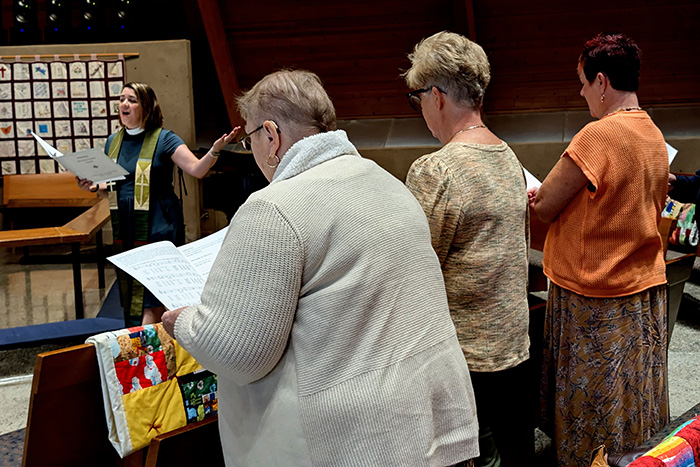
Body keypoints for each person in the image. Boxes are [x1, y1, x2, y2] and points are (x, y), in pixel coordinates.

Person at [161, 69, 480, 466]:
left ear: (272, 136)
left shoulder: (274, 208)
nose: (253, 149)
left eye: (250, 138)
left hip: (354, 439)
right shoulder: (387, 182)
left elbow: (238, 353)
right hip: (428, 414)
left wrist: (186, 323)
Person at [528, 33, 669, 466]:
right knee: (632, 391)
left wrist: (530, 194)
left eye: (584, 83)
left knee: (593, 396)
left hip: (596, 294)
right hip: (641, 286)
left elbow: (547, 204)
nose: (582, 92)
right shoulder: (653, 134)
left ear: (602, 81)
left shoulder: (599, 136)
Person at [403, 31, 533, 467]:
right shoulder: (507, 155)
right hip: (514, 349)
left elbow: (414, 273)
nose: (420, 109)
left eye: (418, 97)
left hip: (462, 364)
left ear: (437, 96)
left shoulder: (436, 169)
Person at [77, 82, 236, 325]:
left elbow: (196, 170)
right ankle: (149, 345)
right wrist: (93, 185)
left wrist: (214, 152)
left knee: (153, 294)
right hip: (127, 223)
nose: (124, 104)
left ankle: (147, 351)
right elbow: (114, 183)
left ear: (147, 106)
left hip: (158, 221)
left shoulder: (164, 139)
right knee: (134, 286)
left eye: (132, 100)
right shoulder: (113, 141)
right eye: (122, 99)